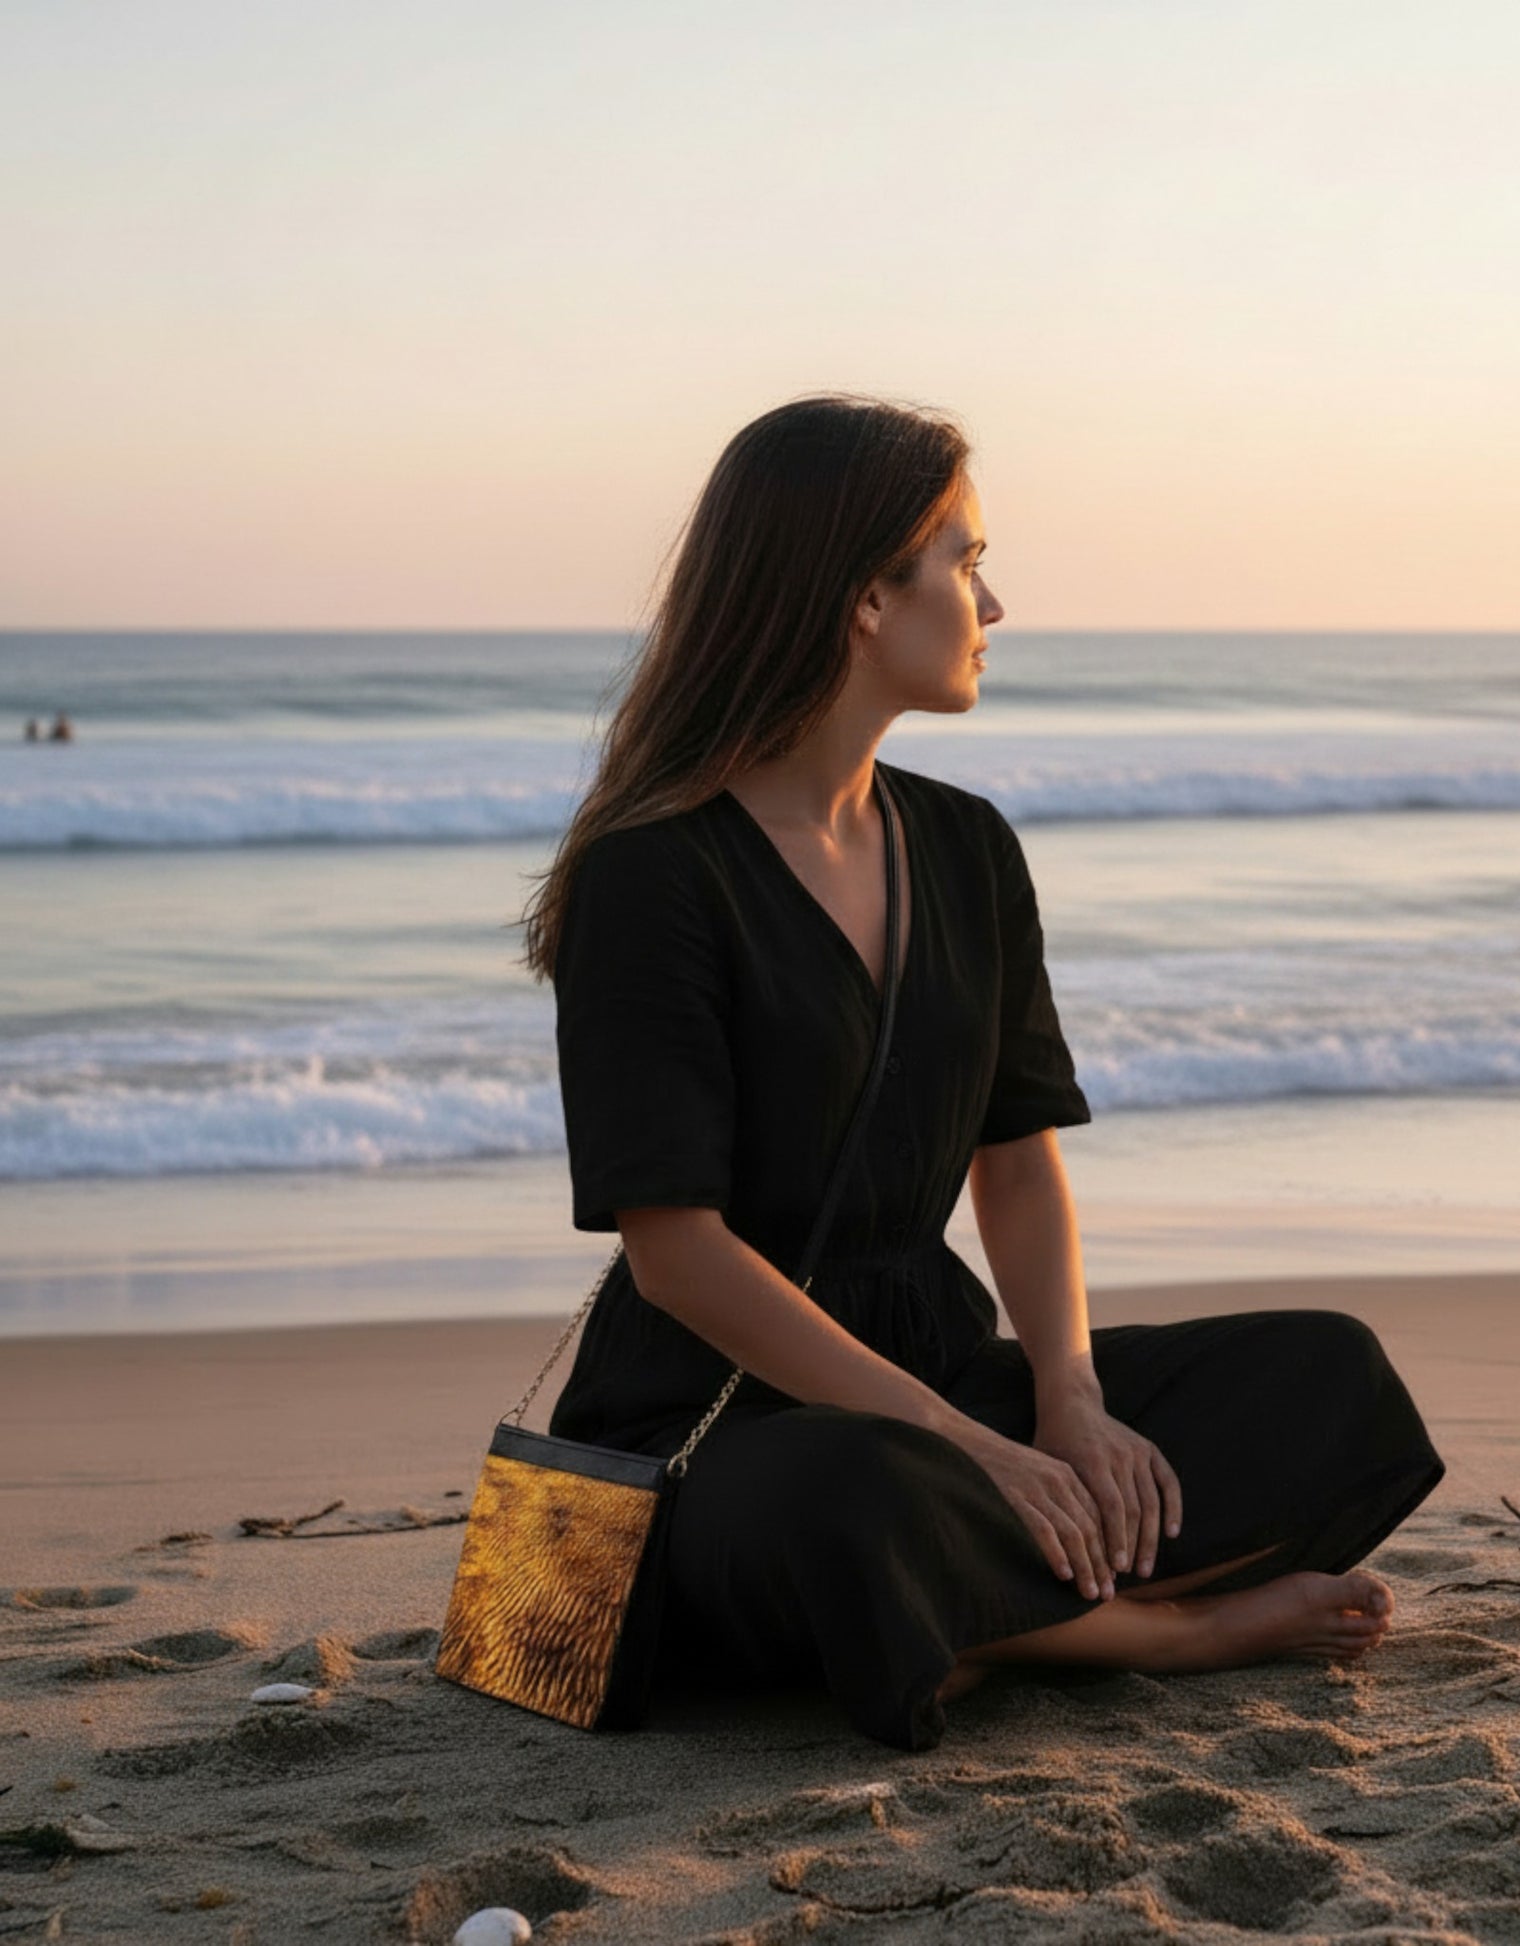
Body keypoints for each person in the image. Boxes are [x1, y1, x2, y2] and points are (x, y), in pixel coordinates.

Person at [524, 395, 1444, 1751]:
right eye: (962, 560)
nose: (990, 598)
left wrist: (1066, 1402)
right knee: (867, 1501)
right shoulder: (654, 875)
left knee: (1325, 1375)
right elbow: (677, 1256)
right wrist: (973, 1449)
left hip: (939, 1365)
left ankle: (971, 1618)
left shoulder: (965, 847)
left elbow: (1016, 1162)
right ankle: (1157, 1628)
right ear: (862, 596)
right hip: (713, 1418)